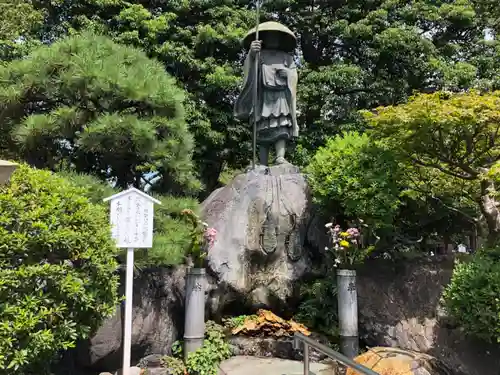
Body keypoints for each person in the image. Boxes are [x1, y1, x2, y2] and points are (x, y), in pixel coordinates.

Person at [234, 21, 299, 166]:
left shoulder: (287, 58)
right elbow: (249, 71)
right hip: (263, 97)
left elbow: (294, 75)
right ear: (264, 39)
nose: (273, 40)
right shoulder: (259, 54)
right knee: (262, 129)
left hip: (280, 96)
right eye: (270, 37)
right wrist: (251, 54)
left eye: (276, 37)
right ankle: (262, 162)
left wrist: (287, 74)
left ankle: (280, 157)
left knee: (281, 126)